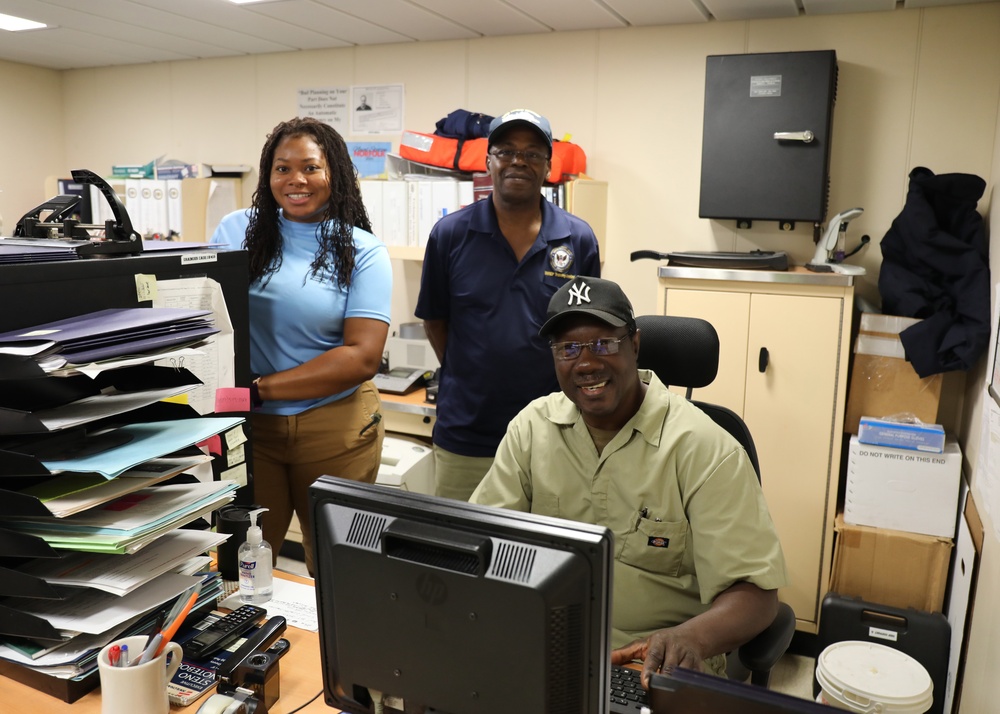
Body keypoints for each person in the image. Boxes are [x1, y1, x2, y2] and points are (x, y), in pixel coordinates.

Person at [470, 276, 787, 684]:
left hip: (655, 665)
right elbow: (483, 541)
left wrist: (690, 638)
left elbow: (758, 598)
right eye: (569, 349)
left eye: (604, 343)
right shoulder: (532, 429)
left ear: (634, 345)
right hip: (546, 649)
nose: (586, 363)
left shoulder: (704, 448)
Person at [213, 116, 392, 576]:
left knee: (340, 571)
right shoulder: (236, 231)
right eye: (282, 168)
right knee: (246, 562)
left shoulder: (362, 249)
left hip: (336, 427)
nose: (296, 180)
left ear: (335, 173)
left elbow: (362, 356)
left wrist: (261, 389)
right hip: (253, 431)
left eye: (311, 168)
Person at [415, 108, 601, 501]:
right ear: (488, 161)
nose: (519, 160)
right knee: (462, 552)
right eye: (506, 151)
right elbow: (436, 321)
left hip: (555, 433)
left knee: (547, 555)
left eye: (533, 153)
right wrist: (475, 372)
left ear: (548, 165)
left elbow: (586, 331)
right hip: (467, 434)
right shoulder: (450, 235)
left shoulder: (577, 239)